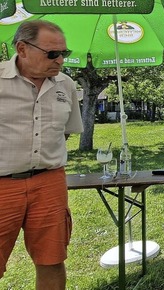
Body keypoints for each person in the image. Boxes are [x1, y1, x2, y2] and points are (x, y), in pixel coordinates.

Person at [0, 20, 83, 289]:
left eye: (64, 53)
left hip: (49, 182)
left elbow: (68, 131)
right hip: (2, 185)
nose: (59, 60)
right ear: (22, 49)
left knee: (52, 259)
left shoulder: (66, 85)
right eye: (51, 53)